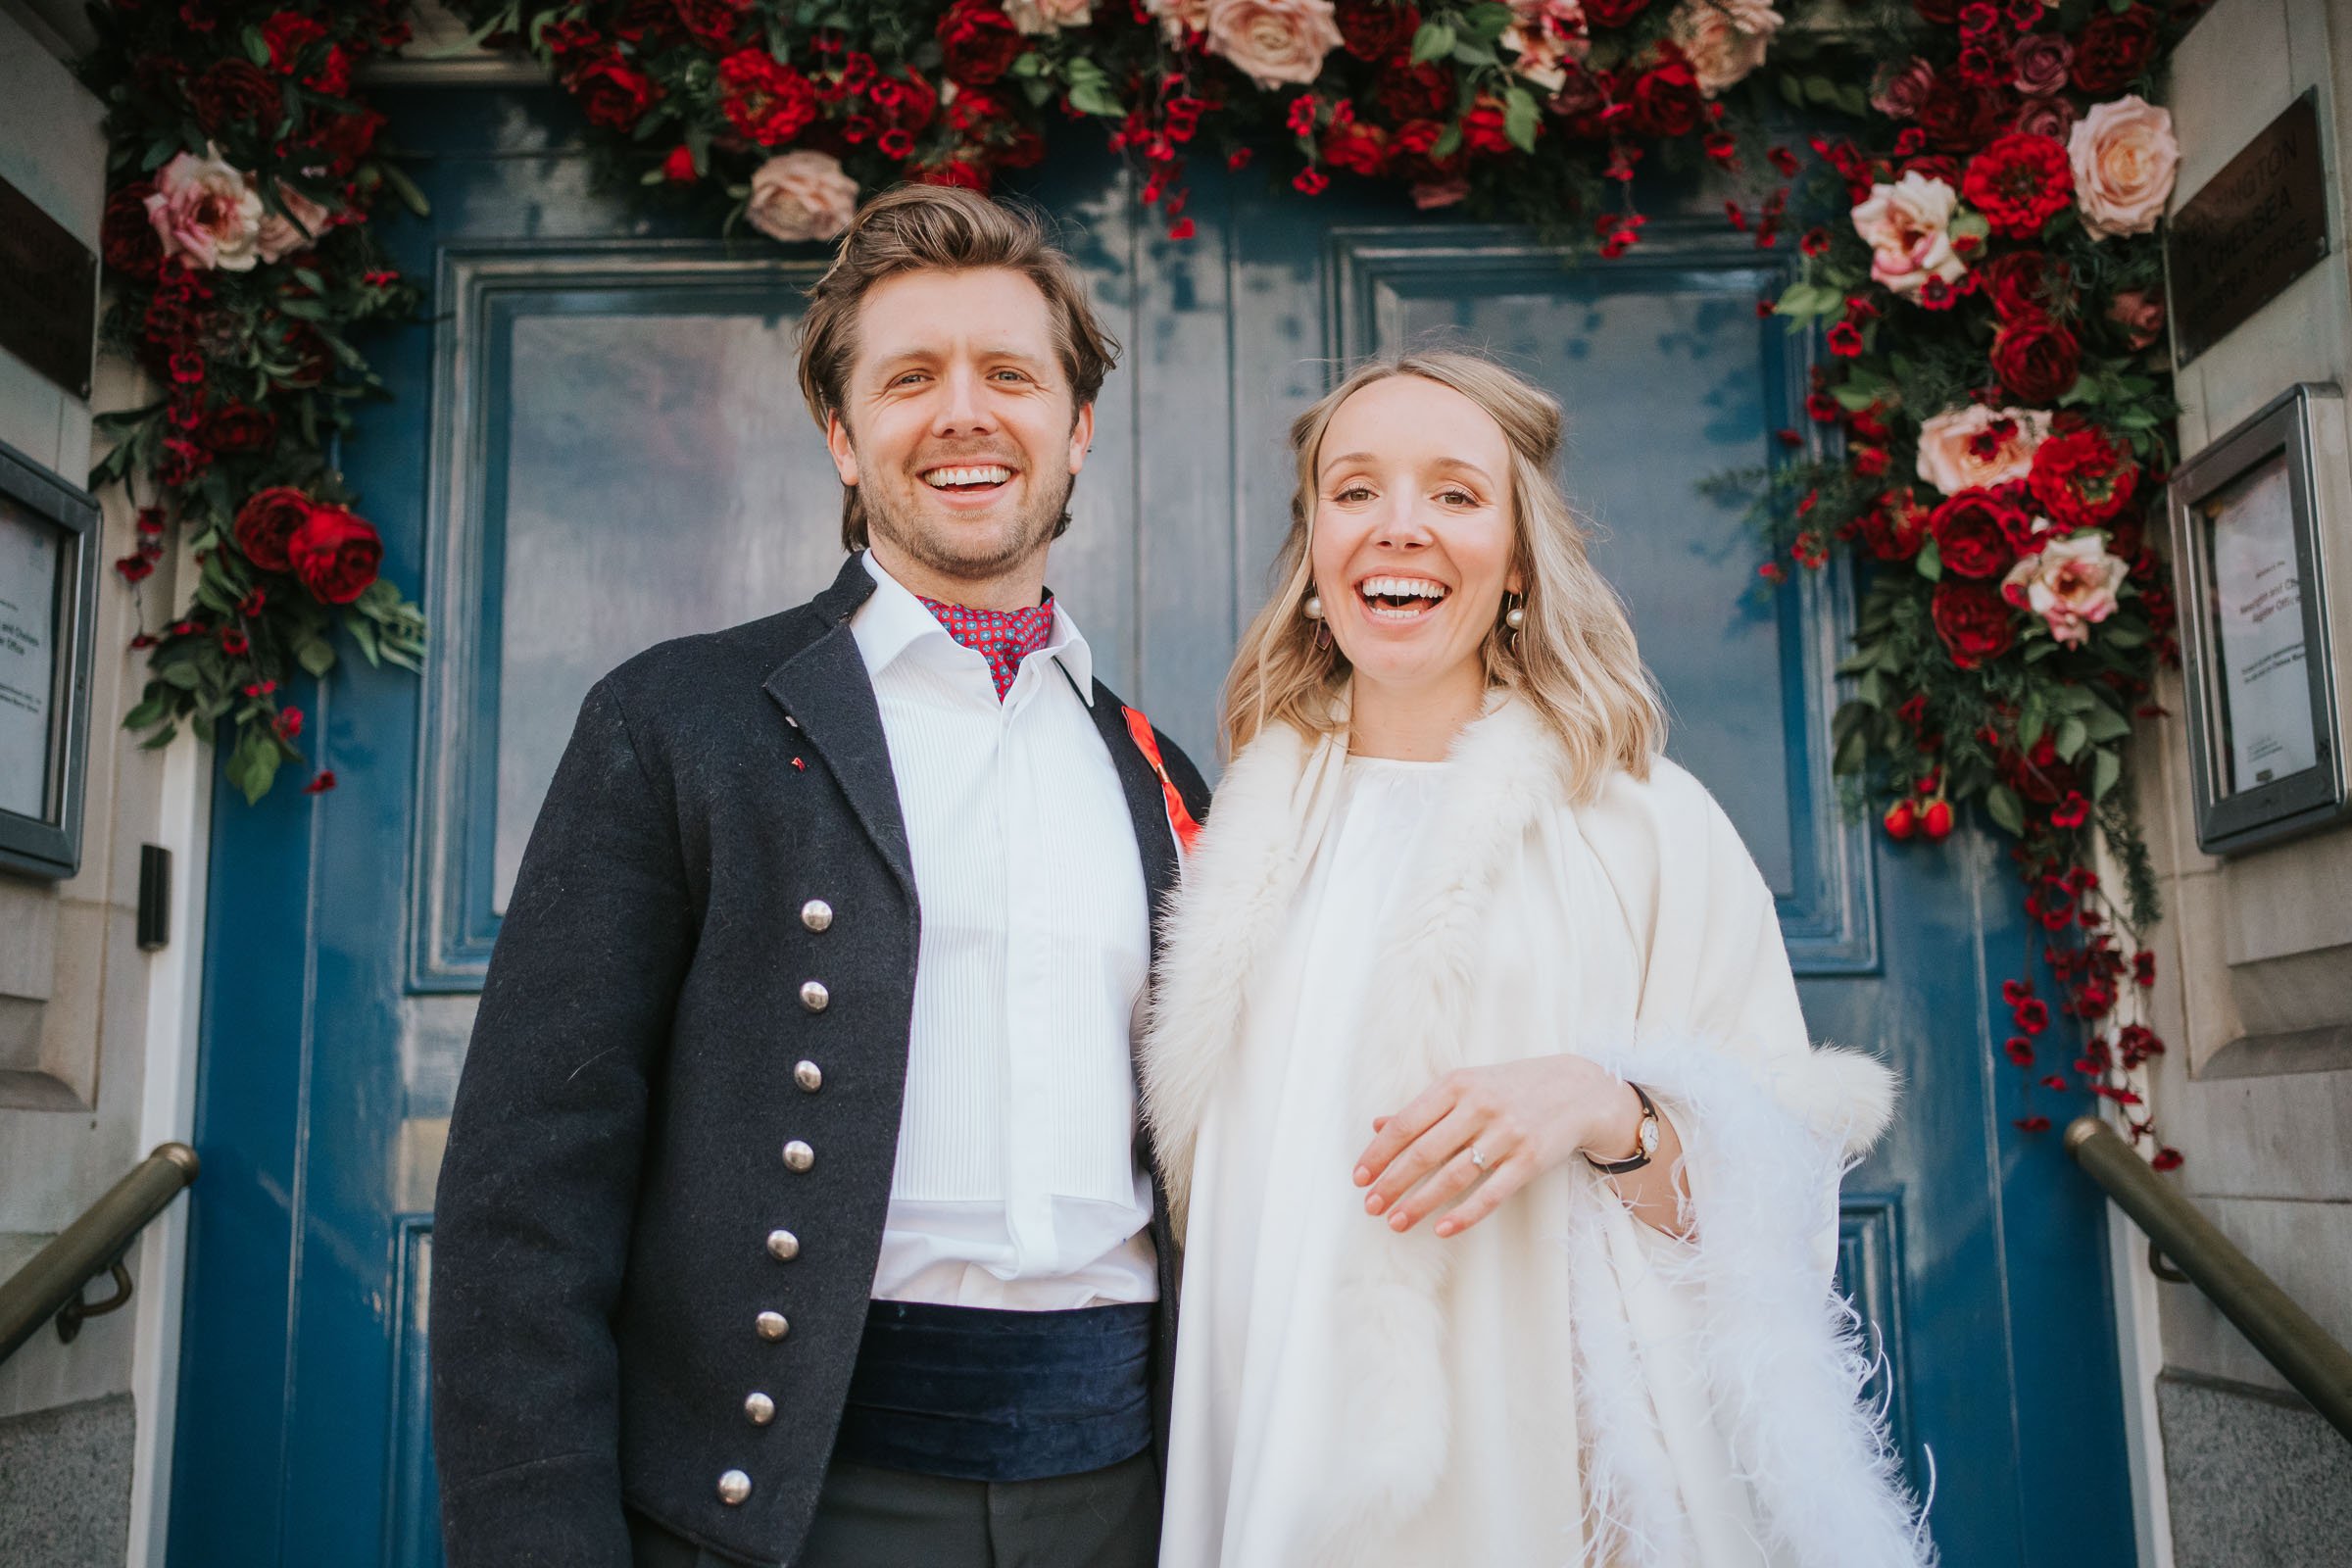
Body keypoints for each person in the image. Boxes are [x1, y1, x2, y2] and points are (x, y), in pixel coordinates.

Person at [430, 184, 1209, 1568]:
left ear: (1076, 426)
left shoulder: (1161, 774)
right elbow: (523, 1199)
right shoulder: (679, 720)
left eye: (1010, 376)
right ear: (844, 439)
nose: (964, 413)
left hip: (1124, 1498)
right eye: (910, 379)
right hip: (787, 1502)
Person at [1144, 351, 1934, 1567]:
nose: (1399, 526)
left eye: (1455, 494)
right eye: (1355, 492)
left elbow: (1775, 1199)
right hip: (1272, 1457)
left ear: (1517, 561)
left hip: (1543, 1480)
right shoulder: (1236, 840)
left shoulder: (1642, 823)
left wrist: (1608, 1107)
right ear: (1313, 554)